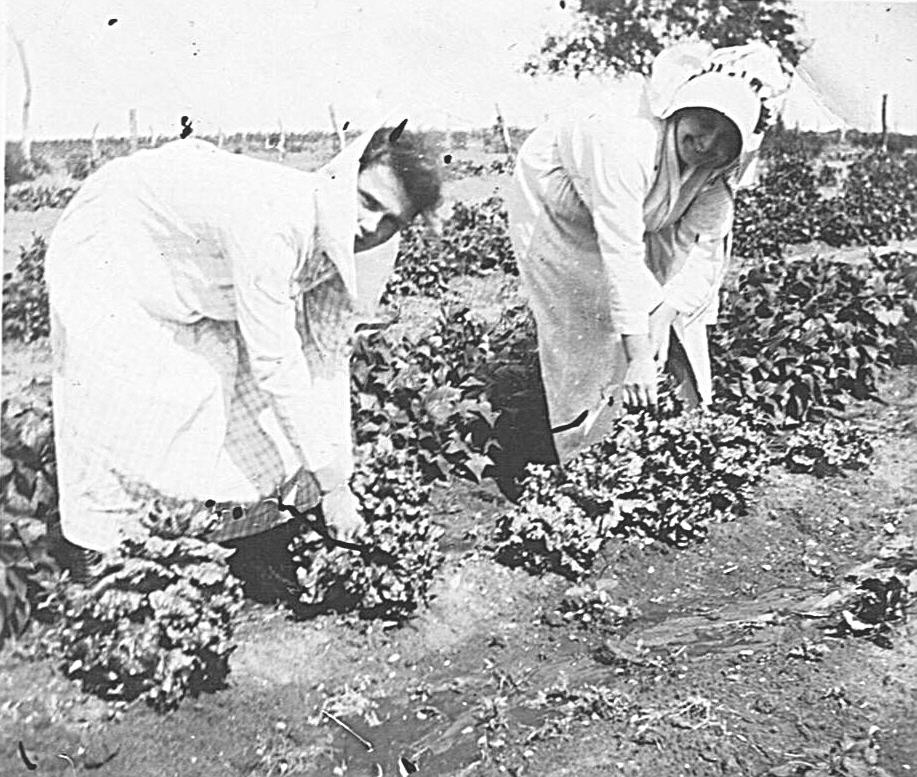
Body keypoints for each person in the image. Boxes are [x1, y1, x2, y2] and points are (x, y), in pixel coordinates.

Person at [46, 121, 442, 561]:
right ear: (342, 178)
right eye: (366, 201)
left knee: (216, 397)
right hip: (113, 238)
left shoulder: (355, 239)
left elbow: (326, 355)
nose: (371, 226)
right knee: (132, 402)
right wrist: (332, 486)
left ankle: (191, 534)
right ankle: (93, 547)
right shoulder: (274, 223)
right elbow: (276, 361)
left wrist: (336, 474)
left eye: (391, 220)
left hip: (192, 262)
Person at [507, 42, 790, 462]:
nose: (707, 142)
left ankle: (682, 435)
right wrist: (639, 353)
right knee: (591, 318)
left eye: (725, 136)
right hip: (560, 201)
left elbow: (704, 259)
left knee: (671, 321)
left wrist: (663, 314)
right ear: (678, 109)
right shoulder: (626, 138)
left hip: (645, 207)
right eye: (703, 120)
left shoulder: (718, 178)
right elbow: (621, 252)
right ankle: (589, 458)